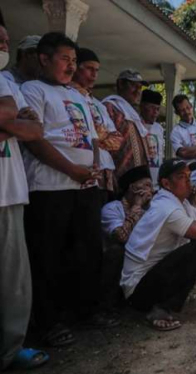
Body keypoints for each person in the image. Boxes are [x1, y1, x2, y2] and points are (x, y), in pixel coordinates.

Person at [21, 32, 117, 348]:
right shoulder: (32, 90)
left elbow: (91, 137)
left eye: (74, 61)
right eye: (65, 59)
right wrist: (72, 170)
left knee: (88, 251)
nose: (71, 66)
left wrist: (91, 169)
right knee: (49, 256)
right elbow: (35, 140)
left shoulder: (77, 96)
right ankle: (49, 322)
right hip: (50, 188)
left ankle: (86, 311)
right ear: (44, 59)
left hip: (85, 186)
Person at [0, 23, 49, 370]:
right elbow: (9, 116)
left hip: (8, 192)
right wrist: (11, 119)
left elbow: (34, 130)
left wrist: (12, 119)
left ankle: (9, 351)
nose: (4, 44)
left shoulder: (6, 82)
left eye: (5, 39)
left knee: (13, 279)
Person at [120, 159, 196, 331]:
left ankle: (165, 303)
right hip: (137, 291)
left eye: (189, 176)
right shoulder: (167, 207)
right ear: (166, 183)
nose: (189, 181)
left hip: (147, 281)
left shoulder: (179, 202)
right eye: (182, 177)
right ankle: (159, 309)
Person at [71, 47, 122, 200]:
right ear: (75, 68)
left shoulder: (98, 105)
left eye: (97, 70)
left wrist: (97, 135)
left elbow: (118, 140)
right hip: (82, 170)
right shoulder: (70, 96)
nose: (94, 75)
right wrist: (101, 134)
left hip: (106, 172)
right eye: (89, 69)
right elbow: (83, 132)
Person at [101, 166, 153, 308]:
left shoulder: (151, 208)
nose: (151, 191)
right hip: (116, 264)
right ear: (133, 188)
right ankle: (107, 306)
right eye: (147, 185)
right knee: (116, 251)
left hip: (139, 261)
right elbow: (121, 237)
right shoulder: (112, 208)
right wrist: (136, 206)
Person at [103, 69, 150, 179]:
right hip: (119, 178)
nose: (138, 90)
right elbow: (104, 144)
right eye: (133, 85)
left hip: (139, 178)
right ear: (121, 84)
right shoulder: (109, 108)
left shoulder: (135, 115)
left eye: (140, 87)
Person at [139, 89, 164, 188]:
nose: (155, 113)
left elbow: (160, 154)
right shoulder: (135, 124)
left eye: (157, 109)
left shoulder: (159, 128)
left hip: (156, 180)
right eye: (152, 108)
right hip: (141, 180)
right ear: (142, 107)